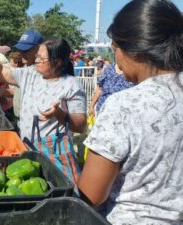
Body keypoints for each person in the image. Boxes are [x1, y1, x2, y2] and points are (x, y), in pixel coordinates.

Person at [78, 1, 183, 224]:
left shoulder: (124, 105)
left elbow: (91, 194)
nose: (116, 59)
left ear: (134, 50)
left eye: (115, 50)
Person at [0, 33, 87, 141]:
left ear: (57, 62)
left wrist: (59, 114)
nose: (36, 61)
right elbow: (0, 70)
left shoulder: (71, 85)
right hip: (27, 148)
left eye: (41, 59)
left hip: (53, 155)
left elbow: (80, 125)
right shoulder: (30, 73)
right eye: (37, 57)